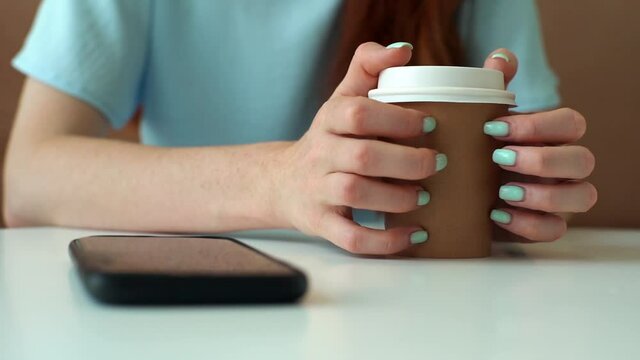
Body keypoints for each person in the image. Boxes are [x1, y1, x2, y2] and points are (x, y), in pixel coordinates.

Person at [5, 0, 596, 255]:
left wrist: (531, 193)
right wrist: (281, 181)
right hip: (196, 301)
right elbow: (29, 179)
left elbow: (532, 162)